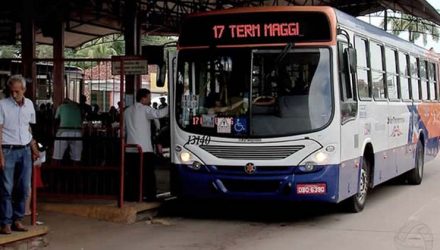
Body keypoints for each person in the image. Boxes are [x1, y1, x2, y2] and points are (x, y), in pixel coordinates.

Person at [0, 75, 39, 234]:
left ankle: (17, 219)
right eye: (12, 91)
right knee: (6, 187)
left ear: (23, 90)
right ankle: (5, 222)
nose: (14, 94)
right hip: (7, 149)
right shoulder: (2, 105)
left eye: (17, 91)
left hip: (24, 149)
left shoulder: (29, 104)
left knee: (23, 187)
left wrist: (33, 146)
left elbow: (27, 127)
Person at [124, 88, 168, 201]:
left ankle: (132, 196)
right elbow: (159, 113)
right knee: (148, 174)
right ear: (143, 98)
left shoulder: (127, 111)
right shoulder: (145, 109)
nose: (149, 100)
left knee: (133, 174)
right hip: (144, 149)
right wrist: (171, 105)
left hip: (129, 148)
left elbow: (123, 129)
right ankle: (149, 195)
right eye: (149, 97)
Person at [52, 98, 83, 165]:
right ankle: (76, 173)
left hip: (63, 132)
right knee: (76, 158)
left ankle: (54, 173)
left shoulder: (61, 107)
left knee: (57, 157)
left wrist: (54, 132)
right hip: (77, 133)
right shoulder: (77, 108)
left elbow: (56, 120)